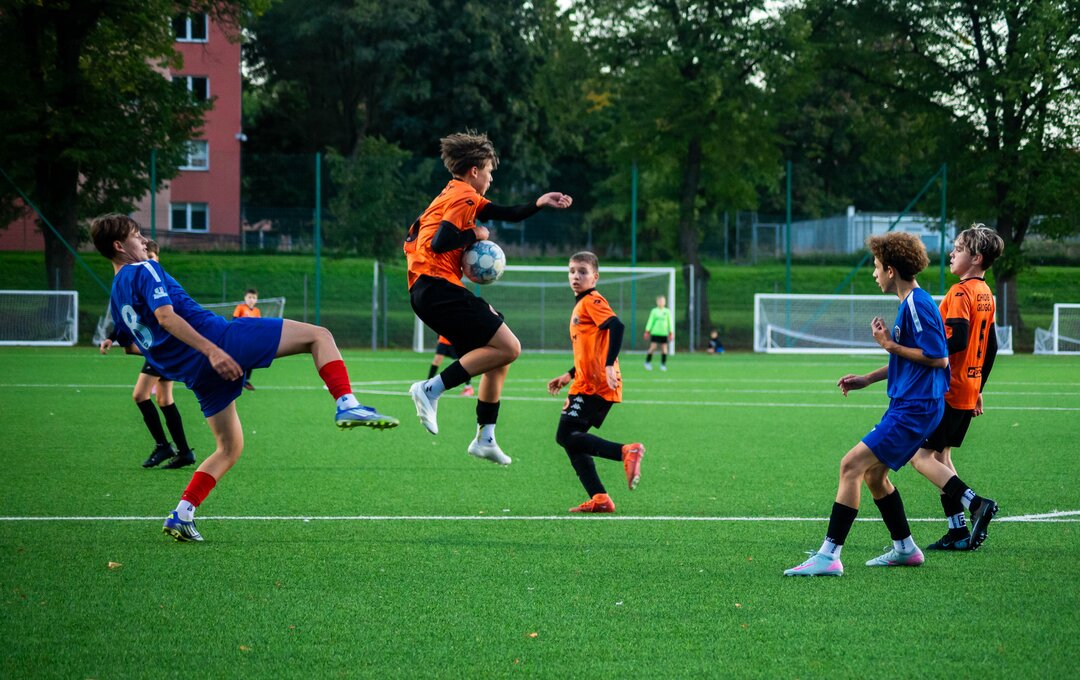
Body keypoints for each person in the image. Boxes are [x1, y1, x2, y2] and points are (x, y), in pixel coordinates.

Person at [92, 214, 398, 542]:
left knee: (229, 447)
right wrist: (212, 351)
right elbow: (166, 317)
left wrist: (182, 362)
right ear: (120, 245)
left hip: (197, 376)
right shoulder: (144, 268)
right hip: (221, 341)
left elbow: (133, 347)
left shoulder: (116, 294)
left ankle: (182, 514)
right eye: (137, 235)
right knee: (319, 336)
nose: (143, 240)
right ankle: (347, 403)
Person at [784, 231, 997, 577]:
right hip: (910, 405)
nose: (874, 273)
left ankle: (829, 555)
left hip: (916, 408)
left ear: (891, 270)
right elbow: (911, 360)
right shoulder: (911, 303)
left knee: (850, 465)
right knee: (874, 475)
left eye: (876, 266)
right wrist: (867, 378)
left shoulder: (917, 304)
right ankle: (905, 549)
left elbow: (938, 357)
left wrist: (888, 344)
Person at [404, 131, 572, 465]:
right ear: (474, 171)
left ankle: (485, 438)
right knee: (511, 347)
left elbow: (507, 213)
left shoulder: (456, 192)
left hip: (428, 289)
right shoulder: (464, 196)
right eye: (490, 171)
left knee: (499, 356)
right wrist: (476, 234)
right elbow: (440, 242)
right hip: (436, 287)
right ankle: (430, 389)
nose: (491, 178)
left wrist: (539, 203)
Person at [909, 225, 1004, 551]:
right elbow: (991, 347)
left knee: (920, 458)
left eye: (959, 249)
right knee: (941, 457)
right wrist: (979, 388)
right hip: (967, 388)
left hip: (948, 389)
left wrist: (923, 354)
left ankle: (976, 503)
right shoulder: (986, 294)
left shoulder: (960, 293)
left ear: (976, 258)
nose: (952, 253)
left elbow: (959, 338)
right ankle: (958, 531)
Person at [547, 252, 644, 513]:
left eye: (583, 271)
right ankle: (600, 498)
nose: (576, 276)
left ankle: (626, 451)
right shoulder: (581, 304)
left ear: (595, 277)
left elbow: (617, 326)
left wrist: (610, 364)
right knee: (572, 438)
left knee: (566, 436)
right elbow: (590, 349)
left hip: (596, 383)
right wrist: (569, 374)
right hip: (584, 381)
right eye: (572, 271)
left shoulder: (592, 300)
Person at [101, 240, 197, 470]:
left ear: (157, 259)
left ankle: (164, 446)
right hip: (158, 347)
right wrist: (113, 336)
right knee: (164, 399)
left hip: (163, 347)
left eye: (152, 258)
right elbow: (132, 315)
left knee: (140, 395)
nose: (149, 260)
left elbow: (167, 314)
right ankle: (183, 452)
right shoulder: (142, 280)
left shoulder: (156, 280)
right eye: (147, 256)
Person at [231, 289, 261, 391]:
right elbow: (234, 321)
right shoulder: (240, 308)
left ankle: (246, 380)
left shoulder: (256, 311)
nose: (251, 300)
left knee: (251, 359)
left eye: (254, 298)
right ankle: (237, 379)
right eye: (249, 297)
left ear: (256, 300)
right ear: (245, 298)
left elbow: (258, 325)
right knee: (239, 359)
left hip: (251, 339)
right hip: (241, 339)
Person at [643, 295, 673, 371]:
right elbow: (650, 321)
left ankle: (663, 364)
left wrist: (671, 332)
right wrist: (647, 331)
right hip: (655, 333)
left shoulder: (667, 311)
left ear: (665, 302)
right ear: (657, 302)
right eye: (660, 301)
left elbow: (670, 322)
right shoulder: (654, 311)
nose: (661, 302)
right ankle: (647, 362)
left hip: (664, 333)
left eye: (662, 301)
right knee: (653, 347)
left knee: (664, 349)